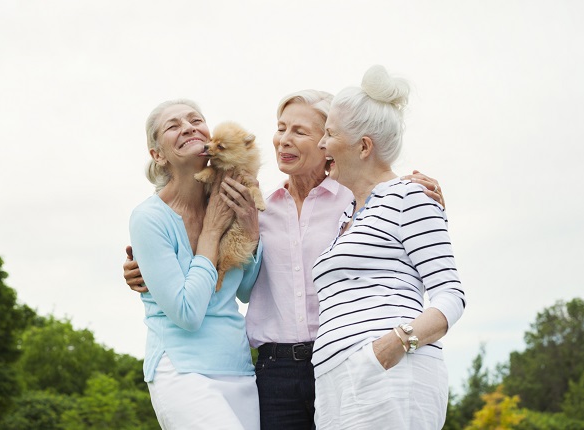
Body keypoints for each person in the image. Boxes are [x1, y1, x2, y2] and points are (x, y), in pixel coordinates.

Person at [125, 90, 445, 429]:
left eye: (300, 131)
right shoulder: (256, 206)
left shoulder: (357, 201)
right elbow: (237, 282)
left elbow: (404, 228)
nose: (283, 140)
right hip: (273, 370)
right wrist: (140, 269)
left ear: (327, 143)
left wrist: (418, 195)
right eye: (281, 128)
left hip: (338, 359)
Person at [313, 65, 466, 429]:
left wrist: (394, 344)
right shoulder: (347, 215)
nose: (321, 144)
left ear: (364, 146)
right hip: (335, 378)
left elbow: (450, 294)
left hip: (388, 371)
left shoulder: (409, 195)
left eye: (329, 134)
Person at [128, 99, 264, 429]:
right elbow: (187, 314)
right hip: (181, 369)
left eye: (196, 120)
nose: (189, 127)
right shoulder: (149, 219)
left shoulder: (234, 197)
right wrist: (213, 230)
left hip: (238, 368)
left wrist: (251, 231)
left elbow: (246, 291)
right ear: (158, 155)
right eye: (173, 126)